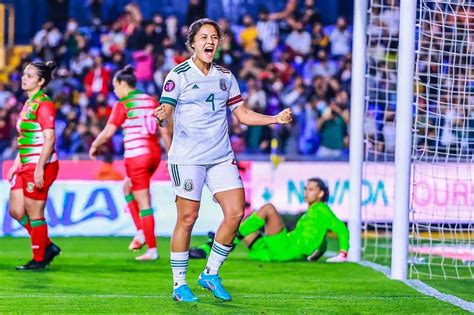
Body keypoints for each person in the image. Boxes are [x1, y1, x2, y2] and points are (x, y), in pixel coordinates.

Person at [155, 18, 293, 303]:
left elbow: (241, 114)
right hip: (188, 158)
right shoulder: (178, 74)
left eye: (214, 37)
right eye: (204, 37)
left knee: (235, 212)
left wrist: (274, 119)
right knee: (188, 218)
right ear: (192, 43)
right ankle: (179, 284)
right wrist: (163, 115)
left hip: (220, 157)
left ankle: (210, 273)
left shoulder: (226, 76)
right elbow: (166, 108)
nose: (210, 41)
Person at [89, 65, 169, 261]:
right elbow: (165, 130)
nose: (115, 91)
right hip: (154, 154)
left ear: (124, 84)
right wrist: (171, 153)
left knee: (144, 203)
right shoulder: (151, 100)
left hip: (137, 156)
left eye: (116, 86)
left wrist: (95, 144)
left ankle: (151, 248)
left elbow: (108, 132)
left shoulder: (123, 104)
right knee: (127, 187)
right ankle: (141, 231)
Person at [190, 178, 350, 263]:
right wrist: (314, 256)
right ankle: (218, 244)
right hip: (275, 253)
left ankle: (212, 246)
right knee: (245, 222)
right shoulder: (315, 212)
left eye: (310, 189)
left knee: (268, 209)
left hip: (286, 248)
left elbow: (341, 228)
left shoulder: (321, 209)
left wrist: (343, 253)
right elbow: (320, 239)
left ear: (321, 194)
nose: (305, 192)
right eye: (305, 188)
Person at [7, 60, 61, 270]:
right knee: (16, 211)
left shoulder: (44, 104)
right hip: (25, 164)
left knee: (34, 212)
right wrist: (15, 163)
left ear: (40, 81)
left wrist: (39, 167)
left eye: (29, 75)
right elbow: (26, 139)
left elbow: (49, 139)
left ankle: (39, 259)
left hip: (41, 165)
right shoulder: (28, 103)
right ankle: (46, 245)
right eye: (24, 74)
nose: (23, 77)